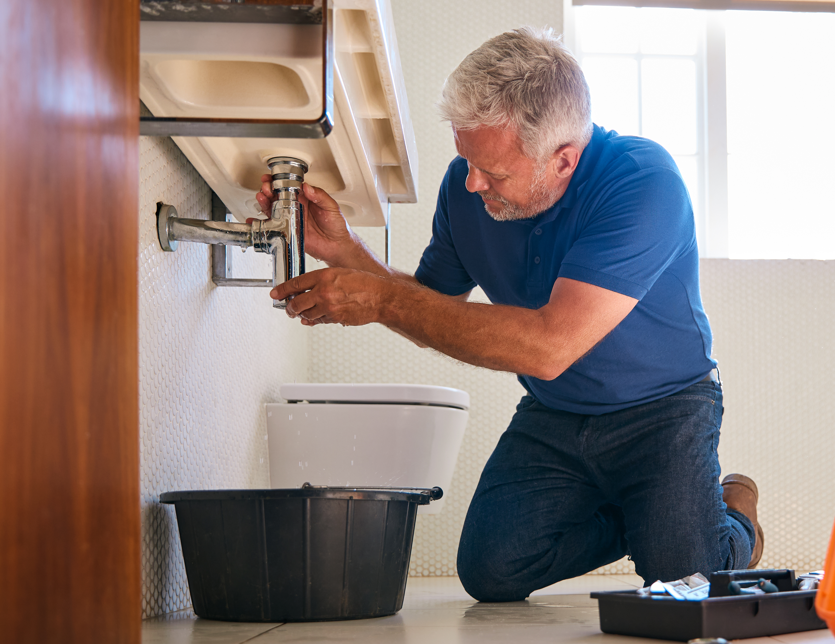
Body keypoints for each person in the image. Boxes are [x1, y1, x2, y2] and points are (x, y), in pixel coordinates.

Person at [259, 27, 763, 602]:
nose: (472, 183)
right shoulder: (466, 186)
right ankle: (654, 517)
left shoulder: (643, 183)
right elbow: (434, 306)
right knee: (492, 572)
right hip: (555, 415)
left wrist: (378, 301)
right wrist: (347, 252)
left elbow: (548, 348)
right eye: (466, 161)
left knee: (688, 578)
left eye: (494, 173)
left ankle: (731, 512)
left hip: (664, 413)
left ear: (564, 160)